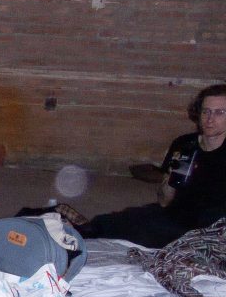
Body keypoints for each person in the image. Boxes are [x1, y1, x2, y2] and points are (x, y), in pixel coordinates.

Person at [78, 84, 226, 248]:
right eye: (206, 111)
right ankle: (73, 234)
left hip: (212, 228)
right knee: (115, 221)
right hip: (175, 217)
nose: (210, 118)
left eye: (219, 112)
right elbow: (164, 202)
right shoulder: (185, 144)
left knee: (154, 231)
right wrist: (170, 180)